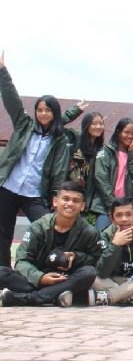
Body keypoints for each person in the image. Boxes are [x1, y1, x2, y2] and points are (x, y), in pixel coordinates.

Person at [0, 52, 83, 267]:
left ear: (54, 113)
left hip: (35, 193)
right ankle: (4, 273)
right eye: (40, 110)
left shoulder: (59, 139)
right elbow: (12, 100)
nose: (43, 114)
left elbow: (58, 171)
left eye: (48, 110)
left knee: (47, 229)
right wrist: (2, 72)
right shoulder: (24, 125)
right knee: (3, 234)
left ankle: (47, 268)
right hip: (8, 187)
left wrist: (55, 196)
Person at [0, 181, 100, 307]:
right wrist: (40, 278)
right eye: (66, 199)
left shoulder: (89, 232)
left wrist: (77, 257)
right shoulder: (38, 227)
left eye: (76, 201)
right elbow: (22, 260)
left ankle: (29, 298)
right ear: (55, 201)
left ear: (82, 206)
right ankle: (54, 296)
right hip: (38, 279)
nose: (70, 204)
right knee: (2, 272)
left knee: (89, 272)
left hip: (66, 279)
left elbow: (96, 260)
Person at [90, 118, 133, 231]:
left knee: (126, 238)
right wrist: (113, 205)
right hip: (106, 206)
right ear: (118, 132)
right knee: (103, 236)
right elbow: (101, 180)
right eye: (126, 132)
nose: (130, 136)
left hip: (126, 206)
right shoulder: (106, 151)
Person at [67, 110, 105, 220]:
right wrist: (73, 111)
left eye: (101, 123)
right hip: (68, 191)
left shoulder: (101, 149)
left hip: (84, 197)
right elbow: (57, 126)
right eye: (94, 123)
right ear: (86, 125)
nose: (98, 126)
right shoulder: (74, 139)